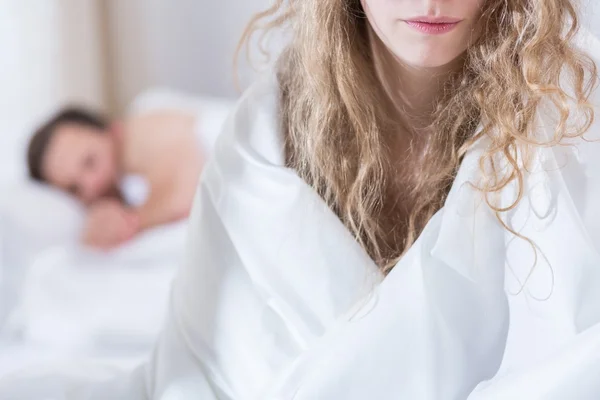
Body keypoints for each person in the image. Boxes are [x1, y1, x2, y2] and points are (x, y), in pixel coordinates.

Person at [3, 0, 600, 398]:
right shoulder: (270, 131)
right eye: (74, 189)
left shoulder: (567, 105)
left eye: (83, 164)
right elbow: (221, 359)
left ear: (105, 132)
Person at [27, 106, 206, 249]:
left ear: (114, 131)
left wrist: (129, 223)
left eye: (90, 161)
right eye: (74, 189)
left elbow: (182, 196)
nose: (91, 185)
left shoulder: (142, 132)